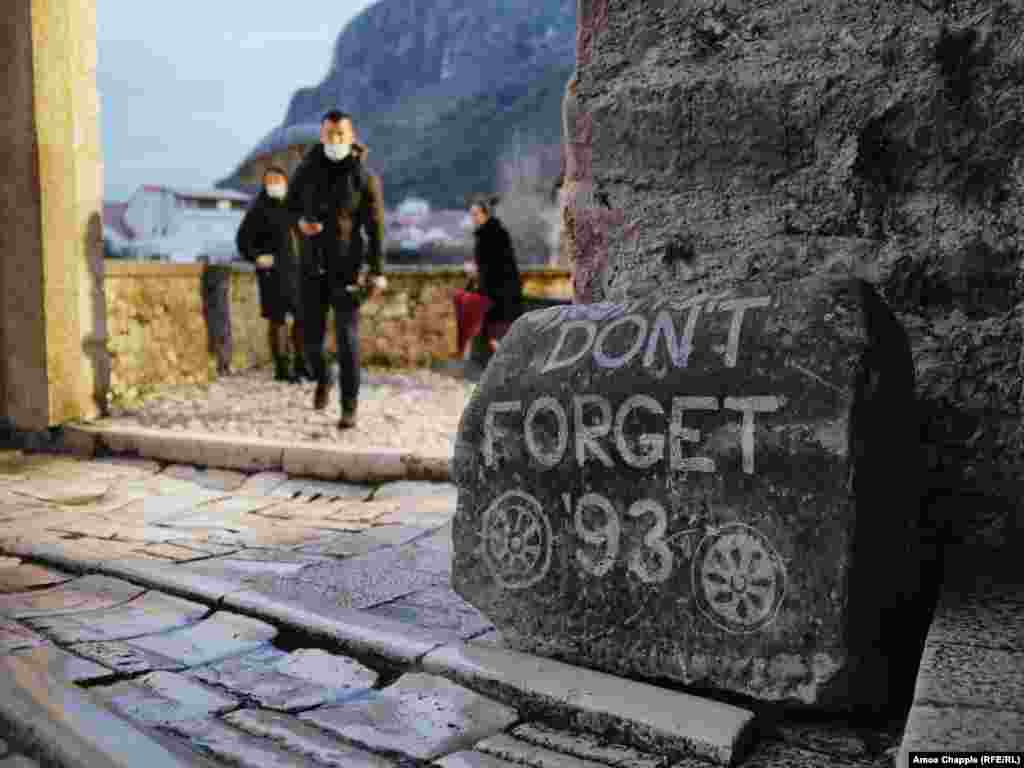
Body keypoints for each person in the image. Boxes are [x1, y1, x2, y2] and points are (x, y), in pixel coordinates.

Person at [288, 110, 387, 429]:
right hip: (311, 267)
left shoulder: (363, 177)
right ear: (321, 136)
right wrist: (300, 223)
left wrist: (377, 269)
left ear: (351, 136)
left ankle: (349, 406)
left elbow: (375, 228)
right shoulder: (304, 171)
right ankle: (324, 376)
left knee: (348, 340)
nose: (335, 140)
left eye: (340, 134)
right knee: (310, 342)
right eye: (329, 134)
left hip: (347, 269)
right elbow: (289, 209)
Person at [236, 166, 309, 382]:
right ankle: (282, 368)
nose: (274, 184)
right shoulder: (258, 210)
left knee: (302, 319)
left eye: (278, 179)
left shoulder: (296, 207)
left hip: (299, 272)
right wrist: (257, 256)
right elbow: (243, 241)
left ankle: (302, 363)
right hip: (272, 274)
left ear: (286, 182)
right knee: (278, 320)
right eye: (269, 181)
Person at [467, 196, 522, 355]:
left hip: (500, 294)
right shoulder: (489, 233)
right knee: (495, 337)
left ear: (485, 214)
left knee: (498, 338)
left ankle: (506, 372)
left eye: (476, 214)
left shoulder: (491, 234)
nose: (474, 218)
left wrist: (476, 271)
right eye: (472, 214)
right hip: (497, 293)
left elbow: (496, 266)